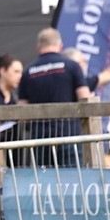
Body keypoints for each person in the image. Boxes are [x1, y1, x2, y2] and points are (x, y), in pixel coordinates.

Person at [17, 28, 90, 166]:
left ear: (38, 47)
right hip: (69, 134)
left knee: (46, 182)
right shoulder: (72, 66)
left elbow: (22, 111)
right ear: (60, 46)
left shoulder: (28, 72)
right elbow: (85, 99)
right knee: (71, 181)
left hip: (41, 138)